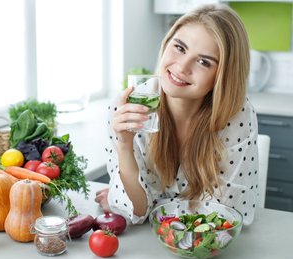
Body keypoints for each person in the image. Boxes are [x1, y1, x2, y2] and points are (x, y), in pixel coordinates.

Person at [95, 4, 258, 226]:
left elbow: (225, 215)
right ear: (166, 43)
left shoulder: (236, 114)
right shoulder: (128, 107)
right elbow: (136, 211)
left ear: (224, 76)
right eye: (180, 48)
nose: (182, 67)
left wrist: (149, 202)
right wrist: (124, 145)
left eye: (204, 62)